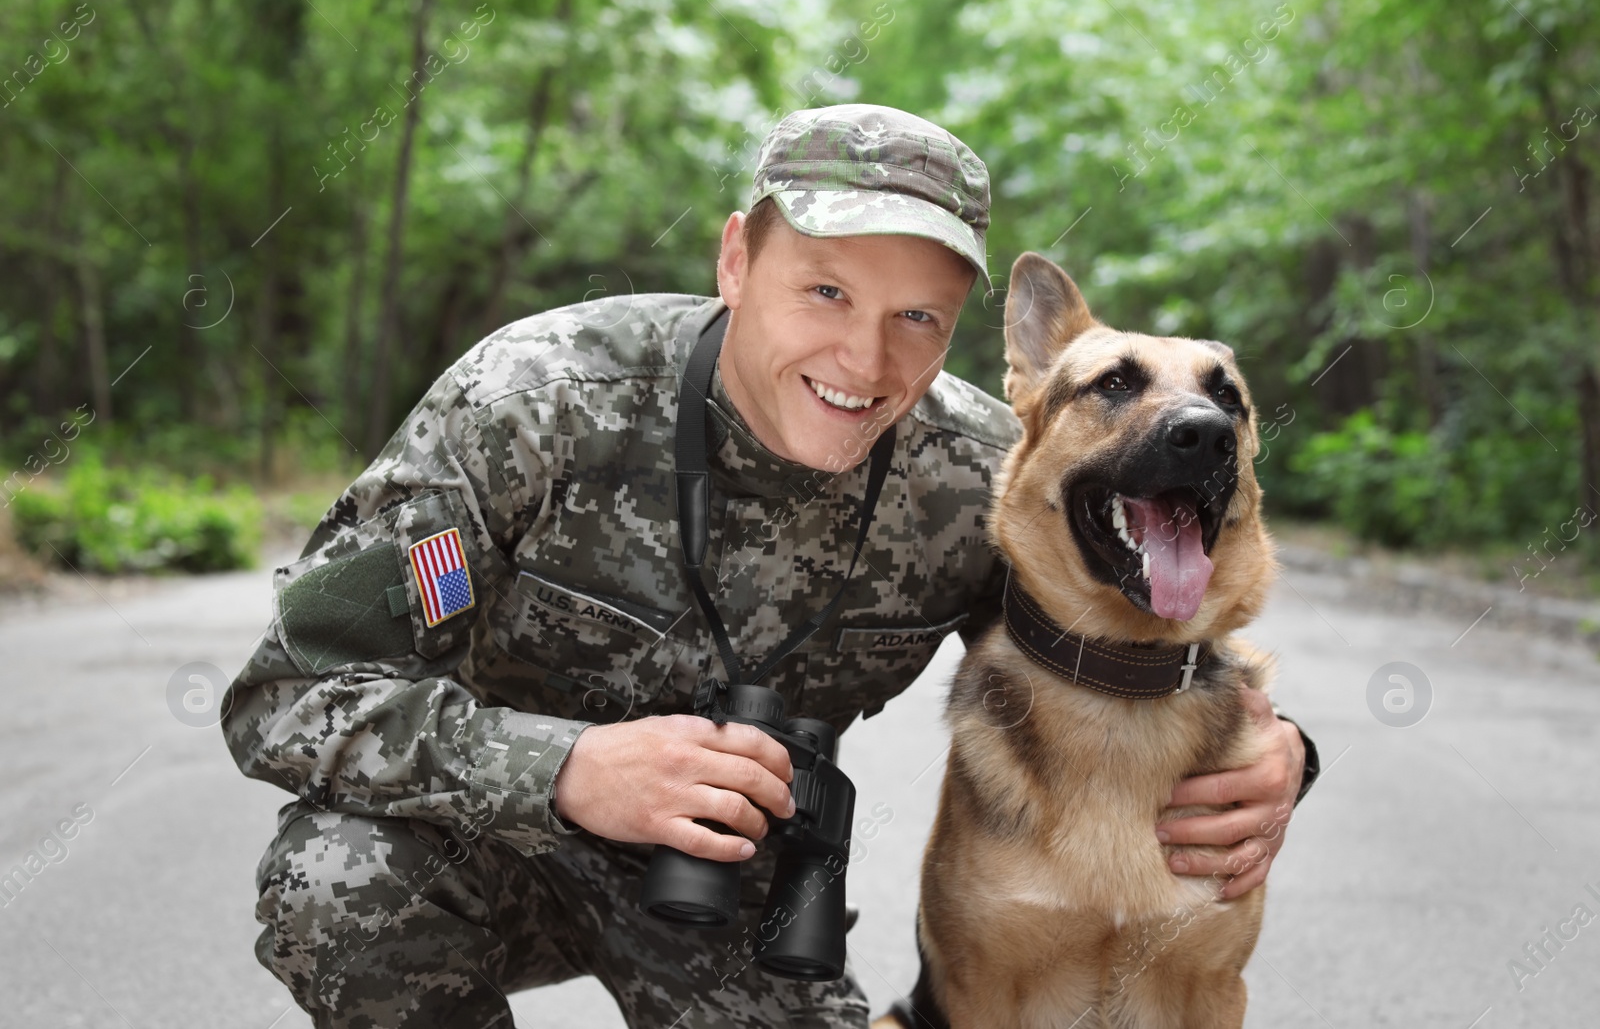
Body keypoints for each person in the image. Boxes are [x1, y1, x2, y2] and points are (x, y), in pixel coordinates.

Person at [220, 103, 1319, 1029]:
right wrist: (567, 766)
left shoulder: (986, 473)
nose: (862, 359)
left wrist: (1282, 755)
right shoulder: (534, 405)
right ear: (737, 258)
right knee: (339, 876)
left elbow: (1130, 640)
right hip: (487, 836)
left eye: (916, 318)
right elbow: (285, 695)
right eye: (825, 292)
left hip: (731, 886)